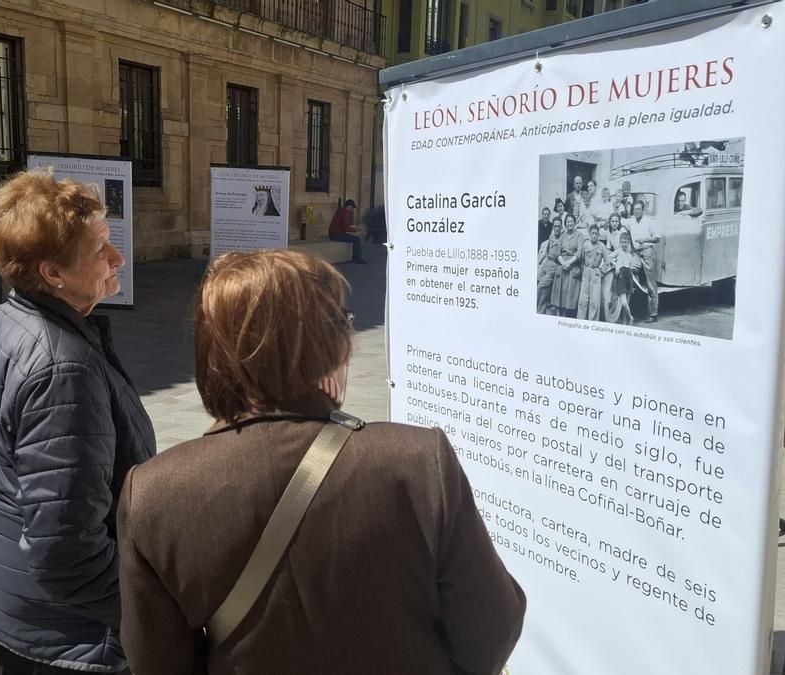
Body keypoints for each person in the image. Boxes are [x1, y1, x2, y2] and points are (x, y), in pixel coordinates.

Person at [117, 250, 526, 674]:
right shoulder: (419, 462)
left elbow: (156, 663)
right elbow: (492, 631)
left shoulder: (152, 494)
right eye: (344, 323)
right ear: (327, 346)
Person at [0, 169, 156, 675]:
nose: (118, 258)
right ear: (53, 274)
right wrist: (149, 616)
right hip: (70, 635)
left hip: (7, 600)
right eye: (101, 248)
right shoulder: (64, 368)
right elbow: (67, 551)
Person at [629, 200, 661, 323]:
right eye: (635, 209)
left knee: (651, 283)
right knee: (631, 270)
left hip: (648, 252)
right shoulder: (631, 222)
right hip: (637, 253)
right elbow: (618, 219)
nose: (636, 211)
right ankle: (638, 310)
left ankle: (653, 314)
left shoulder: (649, 222)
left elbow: (657, 238)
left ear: (643, 210)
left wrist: (645, 239)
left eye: (638, 209)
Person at [552, 214, 583, 318]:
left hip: (573, 263)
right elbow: (557, 252)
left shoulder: (579, 235)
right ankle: (558, 312)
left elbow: (579, 253)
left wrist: (569, 262)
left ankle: (565, 313)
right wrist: (563, 263)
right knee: (559, 276)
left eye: (571, 221)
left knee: (569, 281)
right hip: (562, 263)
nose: (569, 223)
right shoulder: (562, 235)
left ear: (574, 223)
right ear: (565, 224)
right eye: (568, 222)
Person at [577, 223, 608, 321]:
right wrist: (584, 270)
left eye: (596, 234)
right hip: (586, 272)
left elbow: (607, 261)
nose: (594, 235)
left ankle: (593, 321)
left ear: (598, 235)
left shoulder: (602, 246)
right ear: (589, 234)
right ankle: (580, 319)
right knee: (583, 299)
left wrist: (601, 272)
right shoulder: (586, 245)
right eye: (592, 233)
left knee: (594, 300)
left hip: (596, 272)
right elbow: (581, 259)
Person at [538, 217, 564, 314]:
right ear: (553, 227)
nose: (557, 228)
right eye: (555, 226)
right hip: (547, 263)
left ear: (561, 227)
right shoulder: (551, 237)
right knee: (537, 281)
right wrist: (541, 264)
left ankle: (539, 311)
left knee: (541, 287)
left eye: (559, 226)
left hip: (554, 265)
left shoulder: (563, 239)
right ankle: (542, 309)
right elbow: (547, 251)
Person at [329, 199, 366, 264]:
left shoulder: (341, 211)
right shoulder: (344, 213)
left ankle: (355, 257)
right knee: (356, 239)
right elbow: (346, 228)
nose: (352, 210)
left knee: (353, 238)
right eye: (352, 208)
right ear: (349, 206)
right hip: (336, 235)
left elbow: (345, 226)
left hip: (334, 233)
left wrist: (353, 229)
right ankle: (357, 258)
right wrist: (355, 231)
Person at [610, 230, 635, 324]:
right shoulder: (618, 251)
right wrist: (616, 264)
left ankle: (625, 321)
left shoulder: (629, 255)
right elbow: (609, 257)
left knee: (626, 303)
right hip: (621, 278)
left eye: (626, 242)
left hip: (628, 278)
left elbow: (631, 268)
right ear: (620, 242)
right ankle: (631, 317)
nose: (624, 244)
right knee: (623, 302)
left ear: (628, 243)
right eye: (622, 242)